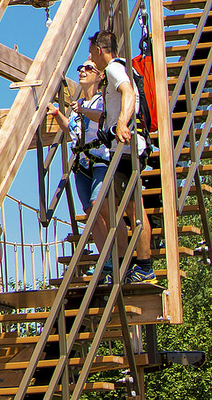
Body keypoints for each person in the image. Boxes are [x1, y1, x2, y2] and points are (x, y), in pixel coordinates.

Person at [88, 31, 155, 285]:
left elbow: (129, 93)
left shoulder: (115, 69)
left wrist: (122, 122)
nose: (91, 57)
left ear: (100, 49)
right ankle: (126, 264)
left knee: (133, 207)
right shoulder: (118, 69)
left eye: (92, 51)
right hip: (123, 149)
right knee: (122, 206)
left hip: (128, 148)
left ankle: (144, 266)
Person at [48, 60, 106, 216]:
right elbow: (71, 128)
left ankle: (116, 240)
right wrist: (56, 113)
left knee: (96, 203)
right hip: (81, 163)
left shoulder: (101, 101)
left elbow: (103, 117)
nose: (82, 71)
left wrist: (83, 110)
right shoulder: (78, 104)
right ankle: (102, 241)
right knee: (88, 208)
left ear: (99, 76)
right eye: (81, 68)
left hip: (100, 159)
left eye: (89, 68)